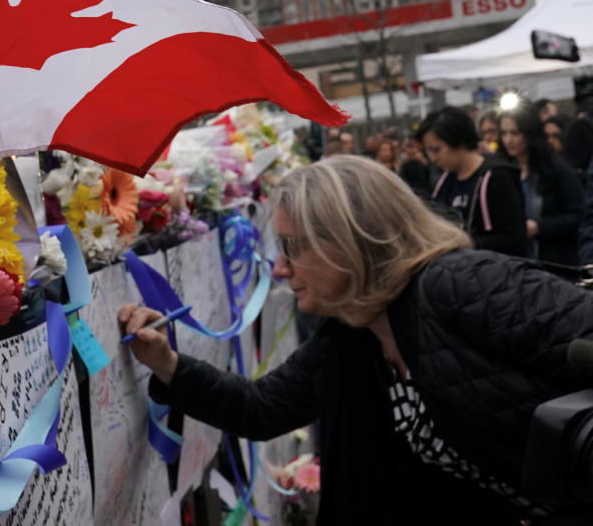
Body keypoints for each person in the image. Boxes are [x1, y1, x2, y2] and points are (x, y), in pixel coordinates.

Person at [119, 157, 593, 525]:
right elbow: (260, 409)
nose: (280, 269)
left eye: (291, 247)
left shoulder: (463, 284)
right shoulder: (353, 329)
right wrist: (166, 362)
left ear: (346, 240)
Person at [417, 107, 527, 257]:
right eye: (429, 151)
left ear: (458, 141)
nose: (433, 158)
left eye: (436, 149)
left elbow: (514, 239)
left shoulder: (496, 177)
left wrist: (461, 243)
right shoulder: (446, 180)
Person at [497, 102, 584, 266]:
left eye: (515, 133)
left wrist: (539, 227)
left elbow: (578, 215)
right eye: (503, 133)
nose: (508, 140)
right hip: (517, 264)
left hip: (555, 261)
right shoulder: (502, 170)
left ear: (529, 132)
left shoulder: (555, 168)